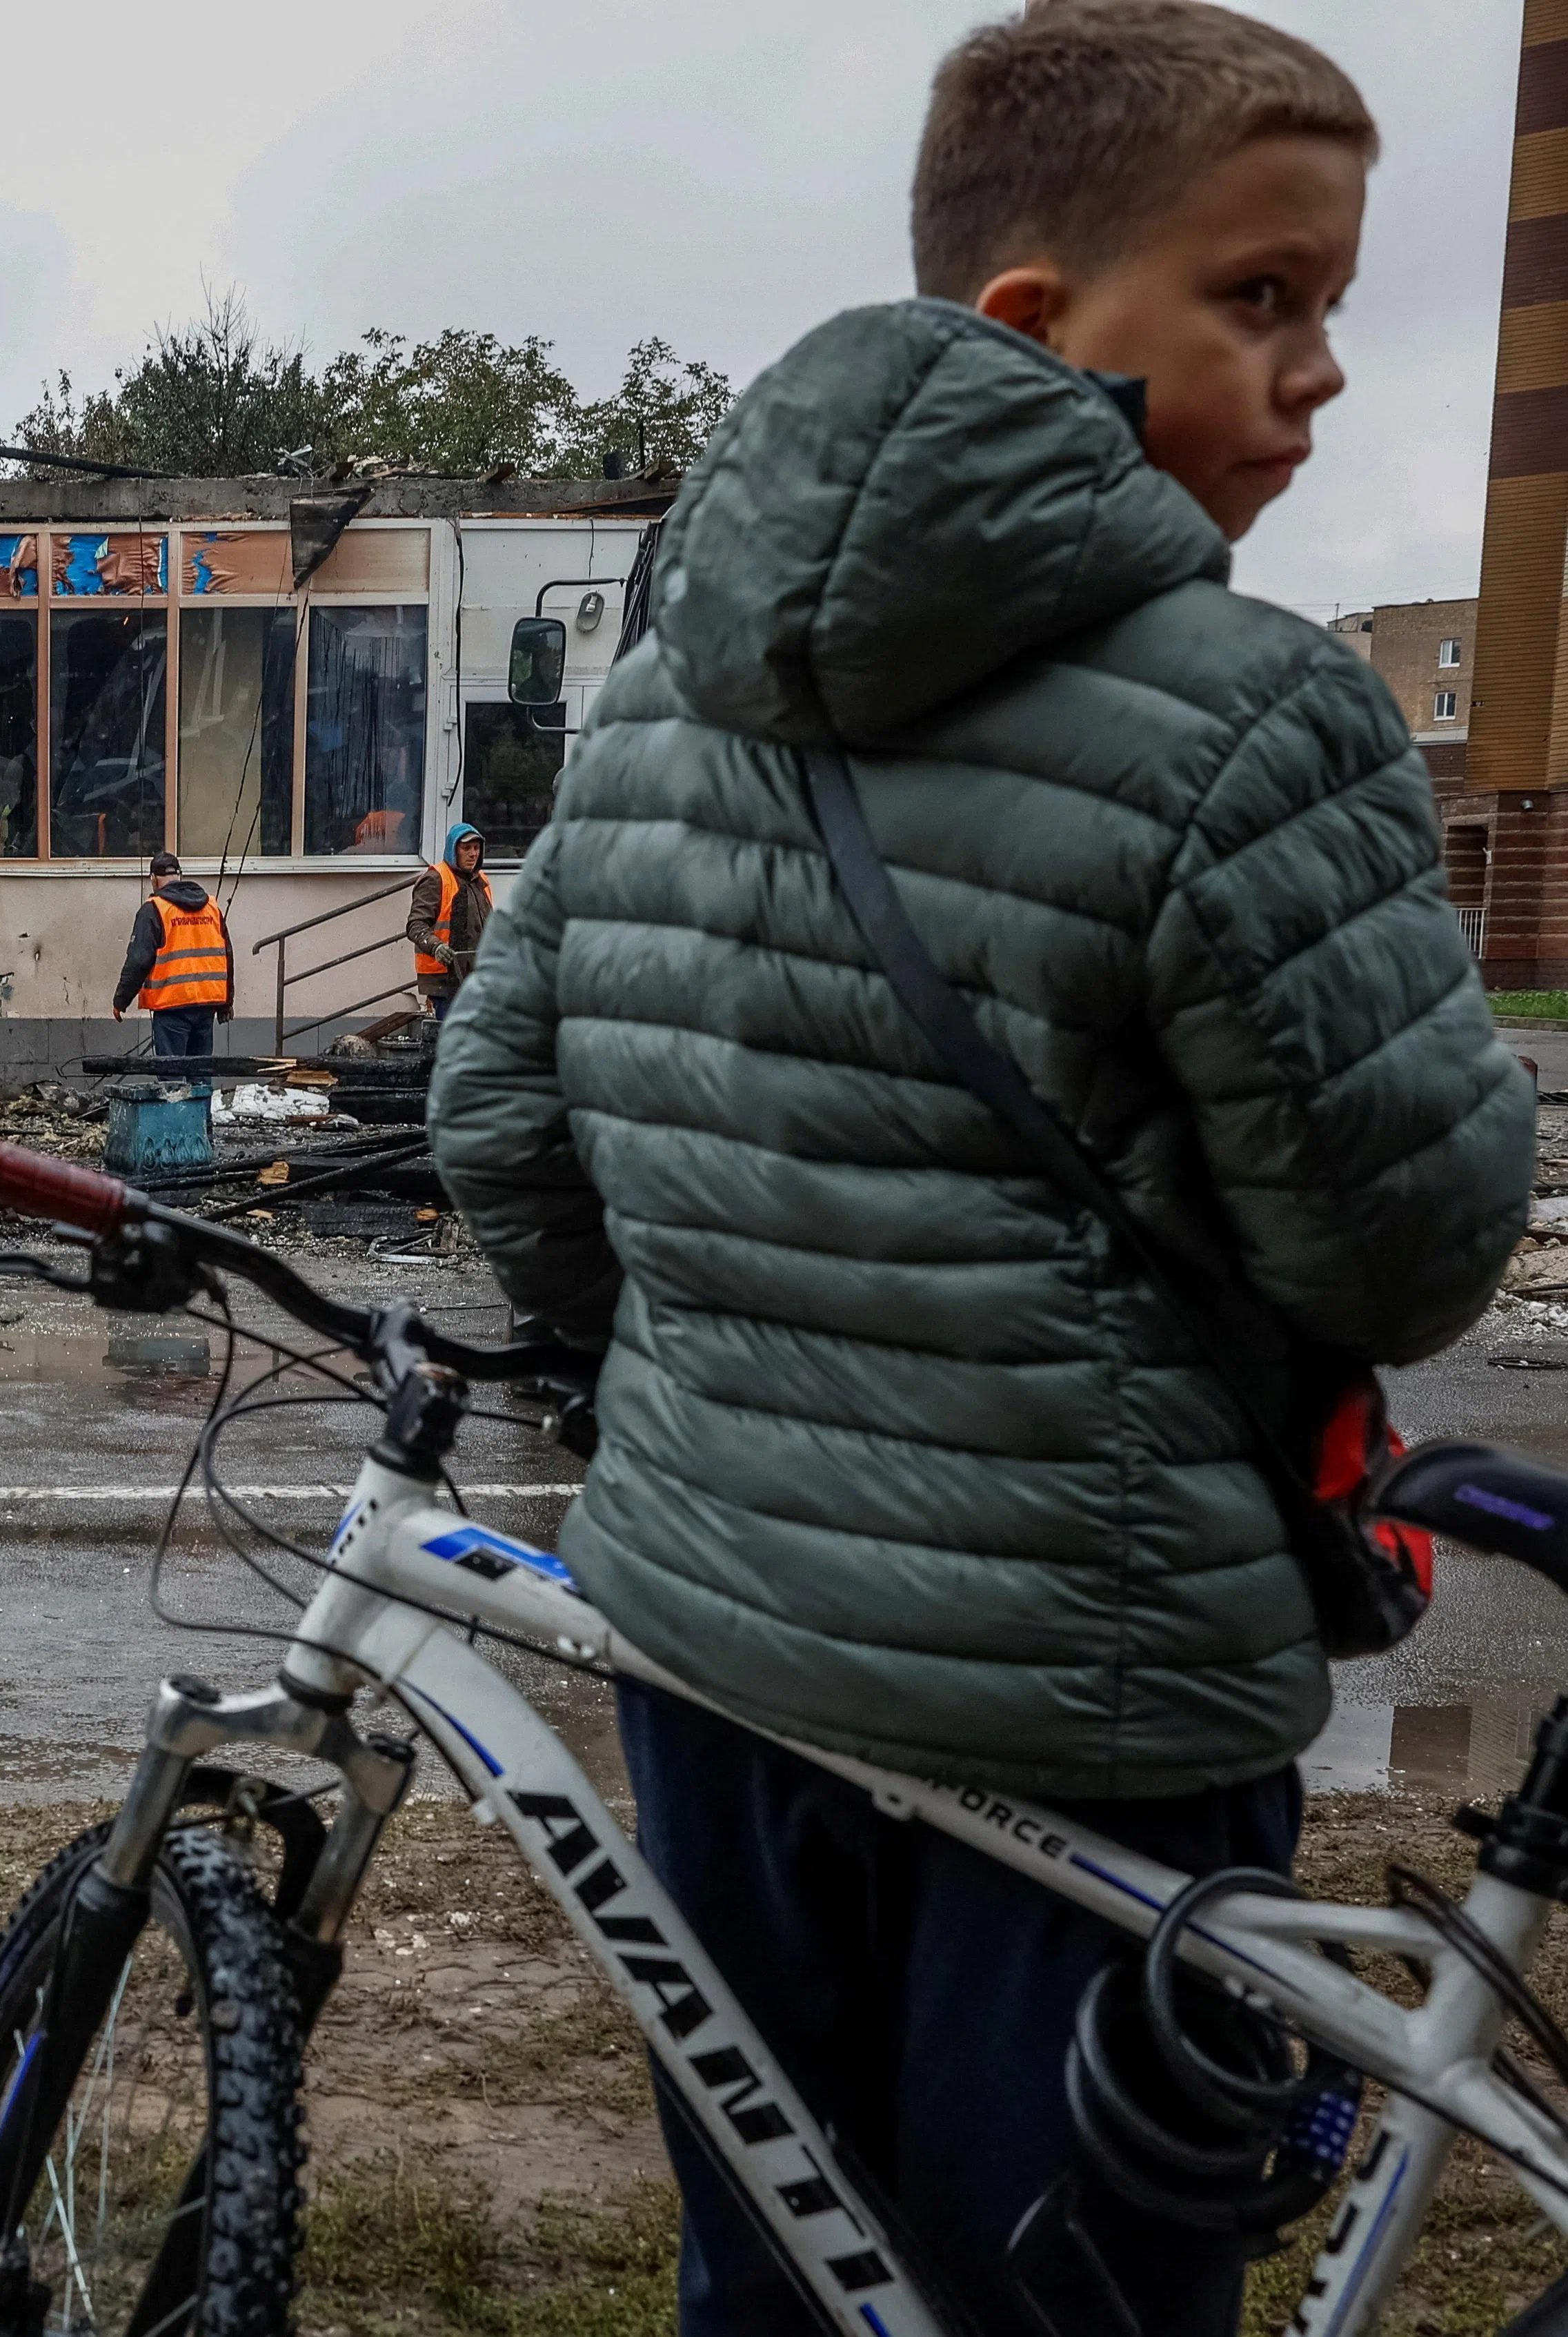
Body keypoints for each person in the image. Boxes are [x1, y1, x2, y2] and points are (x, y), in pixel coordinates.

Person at [426, 8, 1531, 2333]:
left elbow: (506, 1129)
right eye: (1263, 297)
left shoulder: (658, 697)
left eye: (1332, 304)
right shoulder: (1258, 714)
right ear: (1040, 328)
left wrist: (724, 1392)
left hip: (711, 1659)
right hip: (1092, 1726)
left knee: (792, 2277)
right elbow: (1411, 1242)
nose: (1323, 369)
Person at [113, 851, 230, 1061]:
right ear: (180, 875)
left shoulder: (154, 910)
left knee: (171, 1077)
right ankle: (202, 1095)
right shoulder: (212, 908)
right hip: (206, 1006)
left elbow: (138, 960)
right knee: (200, 1074)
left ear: (153, 879)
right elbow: (227, 957)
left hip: (171, 1007)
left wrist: (121, 1001)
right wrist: (226, 1003)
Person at [406, 823, 488, 1022]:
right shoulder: (436, 879)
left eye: (476, 848)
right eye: (466, 848)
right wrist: (436, 948)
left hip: (474, 978)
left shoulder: (481, 881)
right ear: (454, 850)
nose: (473, 854)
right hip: (443, 981)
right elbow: (415, 925)